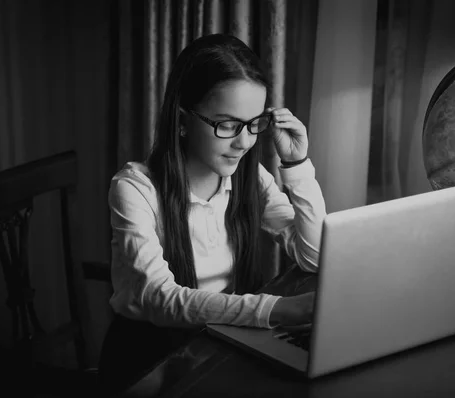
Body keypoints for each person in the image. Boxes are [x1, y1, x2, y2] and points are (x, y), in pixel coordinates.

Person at [98, 33, 327, 395]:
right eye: (228, 125)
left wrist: (296, 164)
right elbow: (161, 298)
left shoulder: (249, 177)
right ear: (183, 121)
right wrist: (277, 310)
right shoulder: (135, 189)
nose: (245, 142)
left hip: (220, 337)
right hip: (149, 356)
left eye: (254, 124)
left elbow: (313, 257)